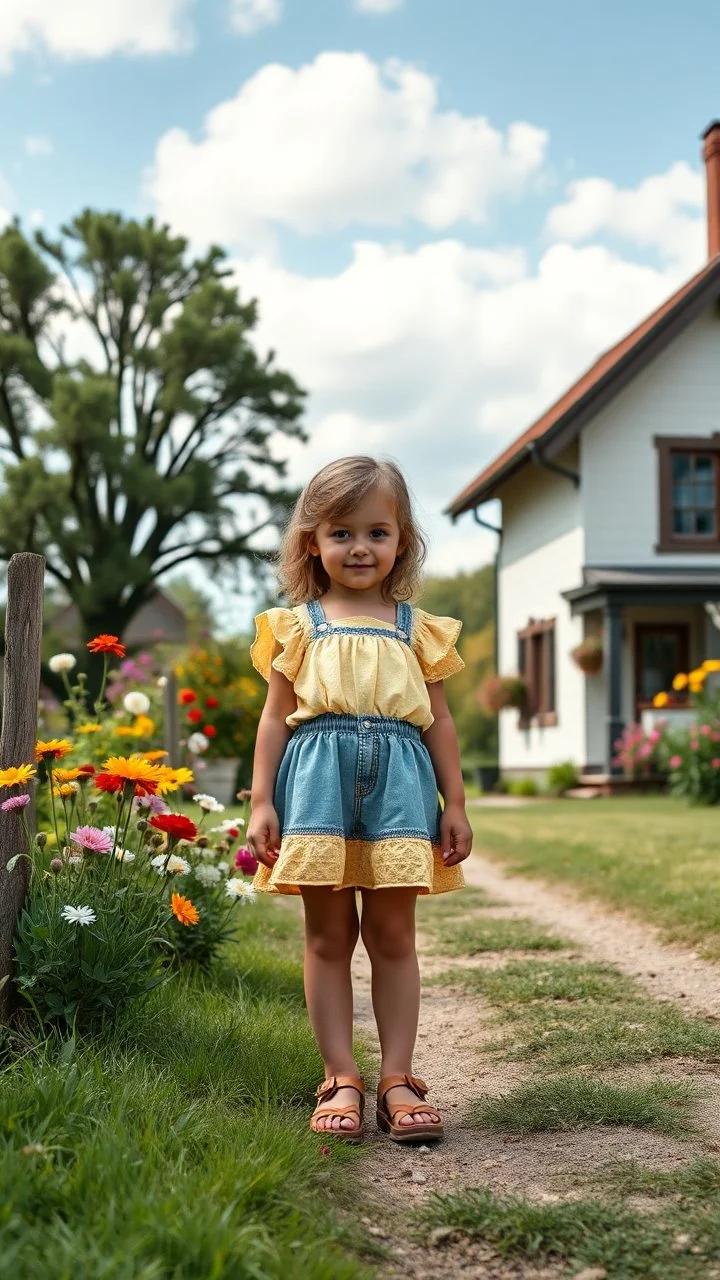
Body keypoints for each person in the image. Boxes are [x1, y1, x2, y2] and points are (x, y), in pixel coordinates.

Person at [246, 455, 473, 1145]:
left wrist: (455, 803)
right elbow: (271, 718)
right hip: (315, 780)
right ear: (311, 540)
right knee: (327, 936)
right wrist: (262, 801)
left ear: (401, 539)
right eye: (341, 532)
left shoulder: (418, 628)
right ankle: (340, 1074)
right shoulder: (297, 626)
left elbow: (438, 721)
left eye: (377, 531)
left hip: (401, 785)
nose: (360, 548)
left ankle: (398, 1078)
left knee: (394, 935)